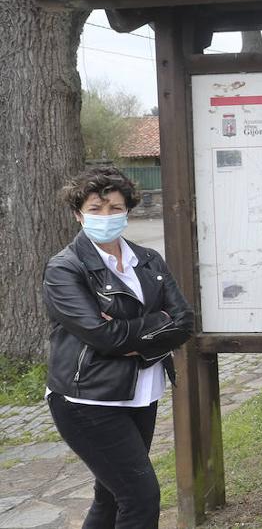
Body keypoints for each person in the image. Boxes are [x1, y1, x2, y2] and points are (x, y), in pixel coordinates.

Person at [44, 165, 194, 529]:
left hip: (141, 393)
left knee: (111, 496)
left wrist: (132, 336)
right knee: (140, 498)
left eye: (115, 207)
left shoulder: (148, 259)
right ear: (79, 215)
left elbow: (184, 321)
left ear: (128, 211)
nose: (106, 216)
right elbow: (104, 337)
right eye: (96, 209)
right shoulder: (65, 268)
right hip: (88, 400)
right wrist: (157, 325)